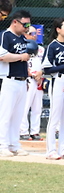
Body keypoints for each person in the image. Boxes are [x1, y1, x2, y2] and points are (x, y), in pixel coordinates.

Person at [0, 10, 32, 157]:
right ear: (15, 22)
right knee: (5, 115)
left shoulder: (23, 38)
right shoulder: (5, 35)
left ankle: (14, 144)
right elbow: (2, 56)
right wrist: (21, 57)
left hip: (22, 80)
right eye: (24, 24)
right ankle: (2, 145)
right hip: (9, 79)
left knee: (17, 116)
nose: (27, 27)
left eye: (28, 24)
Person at [43, 18, 64, 160]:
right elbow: (47, 68)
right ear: (58, 29)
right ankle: (50, 150)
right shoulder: (53, 46)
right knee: (55, 117)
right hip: (57, 81)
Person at [20, 26, 45, 141]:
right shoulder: (22, 47)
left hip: (39, 81)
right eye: (31, 33)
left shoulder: (41, 49)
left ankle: (35, 132)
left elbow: (44, 65)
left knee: (37, 108)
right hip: (28, 80)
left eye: (35, 33)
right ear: (25, 34)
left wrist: (40, 75)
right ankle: (23, 131)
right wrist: (30, 73)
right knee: (25, 107)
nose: (34, 36)